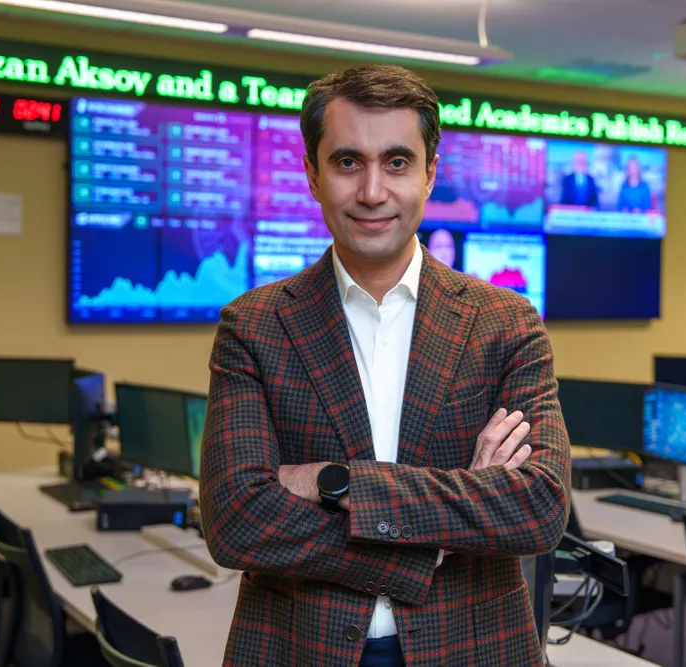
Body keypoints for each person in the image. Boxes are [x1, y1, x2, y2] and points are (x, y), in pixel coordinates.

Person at [201, 63, 571, 667]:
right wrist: (450, 525)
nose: (372, 191)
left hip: (474, 649)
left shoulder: (506, 323)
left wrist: (333, 483)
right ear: (313, 176)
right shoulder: (254, 325)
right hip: (298, 650)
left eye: (396, 162)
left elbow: (538, 506)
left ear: (429, 175)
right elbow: (237, 520)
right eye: (348, 162)